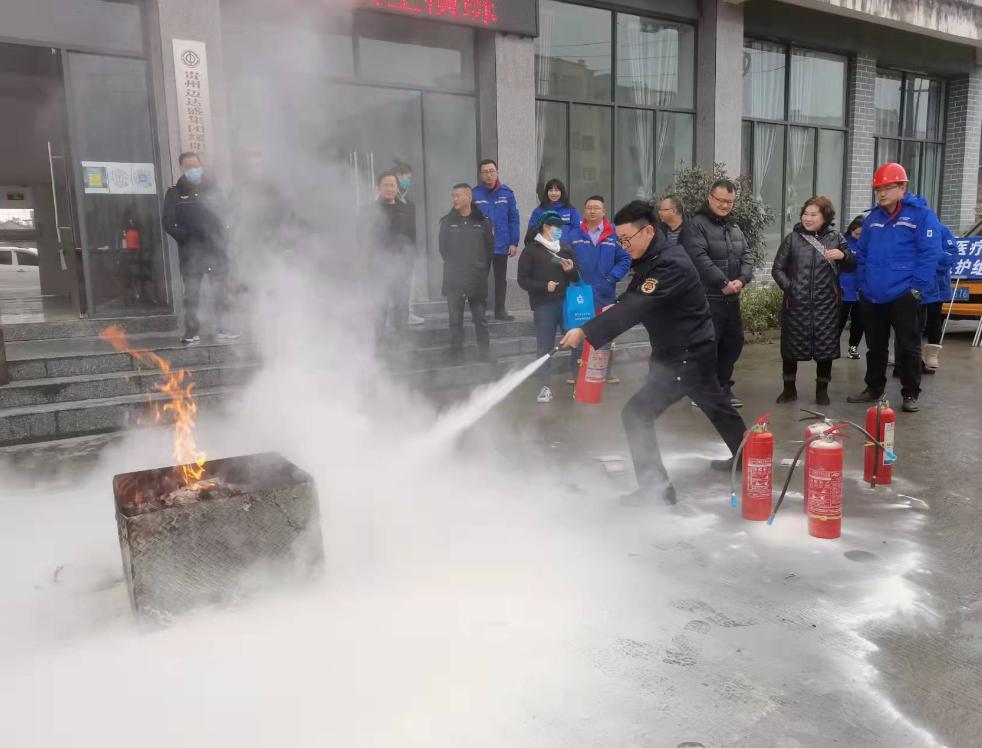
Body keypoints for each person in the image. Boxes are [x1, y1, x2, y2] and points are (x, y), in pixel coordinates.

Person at [560, 201, 748, 506]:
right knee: (716, 406)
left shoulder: (669, 262)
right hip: (691, 349)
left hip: (685, 356)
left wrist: (586, 331)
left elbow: (637, 305)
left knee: (635, 414)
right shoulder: (654, 256)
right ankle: (750, 458)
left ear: (648, 230)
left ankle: (657, 489)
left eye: (626, 239)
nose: (623, 247)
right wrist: (617, 305)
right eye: (619, 240)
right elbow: (638, 294)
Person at [847, 162, 944, 413]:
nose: (881, 193)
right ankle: (874, 388)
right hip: (872, 294)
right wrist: (861, 286)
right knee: (875, 347)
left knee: (908, 346)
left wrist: (916, 289)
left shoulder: (921, 216)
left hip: (904, 294)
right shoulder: (873, 220)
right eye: (878, 188)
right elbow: (863, 254)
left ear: (902, 188)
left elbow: (930, 253)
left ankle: (910, 393)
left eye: (888, 188)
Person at [771, 196, 855, 406]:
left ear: (825, 217)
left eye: (813, 214)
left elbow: (852, 264)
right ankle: (789, 389)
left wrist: (843, 256)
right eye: (805, 213)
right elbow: (777, 269)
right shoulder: (792, 239)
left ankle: (822, 391)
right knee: (790, 349)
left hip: (826, 305)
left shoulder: (836, 238)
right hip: (796, 305)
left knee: (825, 349)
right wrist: (791, 288)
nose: (807, 218)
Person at [683, 179, 754, 408]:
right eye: (721, 200)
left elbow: (747, 256)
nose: (725, 205)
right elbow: (699, 258)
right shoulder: (696, 225)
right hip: (707, 298)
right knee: (707, 346)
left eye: (730, 202)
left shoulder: (733, 227)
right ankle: (703, 389)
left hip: (731, 297)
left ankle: (723, 386)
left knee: (732, 343)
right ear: (710, 198)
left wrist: (741, 280)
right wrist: (722, 282)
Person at [162, 152, 236, 345]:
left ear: (201, 165)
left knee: (220, 291)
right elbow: (168, 222)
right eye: (188, 167)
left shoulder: (214, 190)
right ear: (182, 169)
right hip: (191, 254)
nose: (193, 170)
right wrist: (186, 238)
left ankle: (224, 328)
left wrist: (222, 238)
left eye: (195, 165)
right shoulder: (174, 193)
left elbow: (226, 216)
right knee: (192, 294)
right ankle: (191, 331)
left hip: (214, 250)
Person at [567, 195, 631, 385]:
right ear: (584, 211)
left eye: (596, 208)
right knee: (579, 330)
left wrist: (612, 277)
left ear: (603, 212)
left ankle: (606, 371)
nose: (592, 211)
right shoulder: (574, 234)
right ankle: (575, 371)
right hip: (581, 292)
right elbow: (565, 255)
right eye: (589, 208)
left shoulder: (613, 234)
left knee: (605, 332)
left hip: (605, 293)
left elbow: (625, 259)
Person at [517, 210, 579, 403]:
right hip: (544, 306)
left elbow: (577, 277)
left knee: (577, 341)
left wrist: (570, 271)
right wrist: (544, 287)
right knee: (544, 346)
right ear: (546, 227)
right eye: (557, 227)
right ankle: (545, 386)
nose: (560, 231)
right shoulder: (531, 251)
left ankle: (579, 382)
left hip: (566, 304)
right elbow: (522, 280)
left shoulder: (565, 249)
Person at [439, 184, 494, 361]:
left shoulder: (482, 221)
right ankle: (456, 354)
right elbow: (443, 249)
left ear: (469, 197)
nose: (454, 199)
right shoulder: (447, 221)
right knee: (455, 320)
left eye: (458, 195)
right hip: (454, 278)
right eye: (453, 196)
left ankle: (485, 354)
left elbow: (489, 249)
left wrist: (479, 266)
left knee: (480, 319)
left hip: (476, 278)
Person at [369, 169, 416, 341]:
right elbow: (363, 241)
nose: (389, 188)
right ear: (378, 188)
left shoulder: (407, 209)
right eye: (386, 185)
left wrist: (409, 263)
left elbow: (412, 237)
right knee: (380, 306)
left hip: (402, 267)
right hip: (378, 267)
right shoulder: (368, 211)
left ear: (397, 188)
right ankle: (378, 343)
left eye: (392, 185)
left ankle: (402, 343)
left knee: (402, 307)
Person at [472, 159, 520, 321]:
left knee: (500, 279)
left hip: (502, 243)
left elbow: (514, 219)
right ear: (481, 175)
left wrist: (514, 242)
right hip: (480, 246)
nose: (489, 175)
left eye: (492, 171)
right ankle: (479, 312)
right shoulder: (474, 194)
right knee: (480, 279)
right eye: (485, 172)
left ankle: (500, 311)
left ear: (497, 172)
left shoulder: (507, 194)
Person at [393, 159, 425, 327]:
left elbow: (411, 229)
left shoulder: (409, 202)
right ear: (398, 175)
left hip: (407, 250)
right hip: (392, 251)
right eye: (406, 177)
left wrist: (414, 249)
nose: (408, 181)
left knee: (409, 284)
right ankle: (394, 316)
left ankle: (408, 313)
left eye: (410, 178)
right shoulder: (388, 199)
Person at [839, 214, 866, 360]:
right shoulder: (843, 242)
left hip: (861, 288)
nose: (859, 236)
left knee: (859, 320)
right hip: (844, 286)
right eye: (857, 233)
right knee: (840, 318)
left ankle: (853, 346)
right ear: (851, 230)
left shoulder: (867, 244)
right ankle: (832, 346)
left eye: (863, 234)